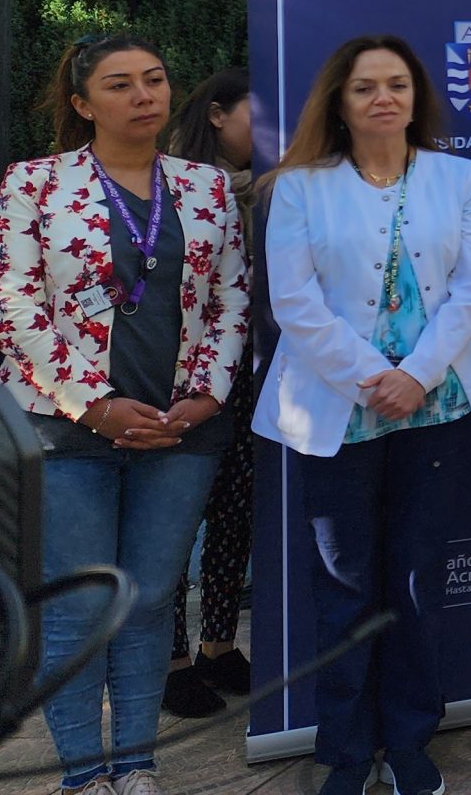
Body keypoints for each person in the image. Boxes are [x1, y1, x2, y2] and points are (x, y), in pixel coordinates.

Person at [0, 35, 249, 795]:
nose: (144, 95)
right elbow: (12, 312)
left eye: (156, 79)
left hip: (181, 432)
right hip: (67, 431)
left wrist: (206, 395)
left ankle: (135, 768)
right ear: (81, 103)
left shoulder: (203, 187)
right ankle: (81, 777)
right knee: (79, 608)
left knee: (148, 603)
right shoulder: (34, 184)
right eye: (121, 84)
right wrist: (95, 407)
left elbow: (232, 297)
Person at [251, 35, 471, 795]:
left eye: (397, 83)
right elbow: (292, 301)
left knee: (418, 582)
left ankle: (409, 740)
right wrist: (374, 376)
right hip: (341, 410)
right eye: (365, 87)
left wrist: (418, 374)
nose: (383, 97)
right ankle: (346, 750)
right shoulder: (300, 186)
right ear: (340, 100)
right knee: (345, 588)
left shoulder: (457, 176)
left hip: (435, 404)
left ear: (417, 96)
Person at [158, 67, 262, 720]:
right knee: (173, 518)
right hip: (182, 379)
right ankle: (168, 660)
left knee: (235, 508)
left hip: (251, 375)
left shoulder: (272, 188)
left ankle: (219, 644)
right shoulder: (170, 186)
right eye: (258, 115)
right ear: (218, 114)